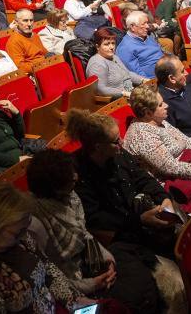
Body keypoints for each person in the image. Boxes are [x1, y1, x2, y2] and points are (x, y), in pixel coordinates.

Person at [26, 150, 162, 313]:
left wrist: (107, 259)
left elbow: (84, 234)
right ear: (54, 188)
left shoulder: (71, 196)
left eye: (73, 172)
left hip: (90, 263)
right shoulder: (35, 221)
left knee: (141, 277)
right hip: (74, 282)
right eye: (70, 177)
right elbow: (52, 274)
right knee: (130, 299)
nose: (76, 177)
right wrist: (93, 284)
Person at [0, 181, 86, 314]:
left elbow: (48, 268)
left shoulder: (17, 235)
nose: (24, 236)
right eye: (18, 232)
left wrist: (74, 300)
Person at [67, 109, 177, 255]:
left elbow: (143, 178)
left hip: (140, 220)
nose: (122, 142)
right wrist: (139, 220)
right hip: (119, 240)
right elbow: (95, 219)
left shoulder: (117, 153)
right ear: (98, 146)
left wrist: (164, 198)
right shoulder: (76, 173)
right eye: (116, 141)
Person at [125, 85, 191, 183]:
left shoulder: (158, 120)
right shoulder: (142, 135)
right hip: (172, 184)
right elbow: (170, 167)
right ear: (148, 113)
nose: (166, 105)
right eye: (161, 105)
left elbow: (186, 140)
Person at [86, 27, 146, 98]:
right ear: (98, 47)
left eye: (113, 43)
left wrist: (143, 80)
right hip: (117, 101)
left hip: (131, 93)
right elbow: (101, 89)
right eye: (107, 44)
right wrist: (125, 93)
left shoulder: (114, 57)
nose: (111, 47)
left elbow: (127, 74)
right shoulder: (97, 64)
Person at [116, 10, 164, 79]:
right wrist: (150, 82)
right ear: (132, 27)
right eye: (143, 24)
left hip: (165, 70)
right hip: (154, 80)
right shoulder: (125, 47)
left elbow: (160, 51)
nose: (147, 26)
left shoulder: (146, 36)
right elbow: (136, 74)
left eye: (147, 23)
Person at [7, 9, 48, 73]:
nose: (29, 24)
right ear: (16, 22)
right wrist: (42, 64)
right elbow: (21, 67)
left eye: (31, 20)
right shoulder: (13, 41)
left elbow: (44, 53)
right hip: (35, 72)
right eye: (25, 21)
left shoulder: (34, 35)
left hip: (45, 66)